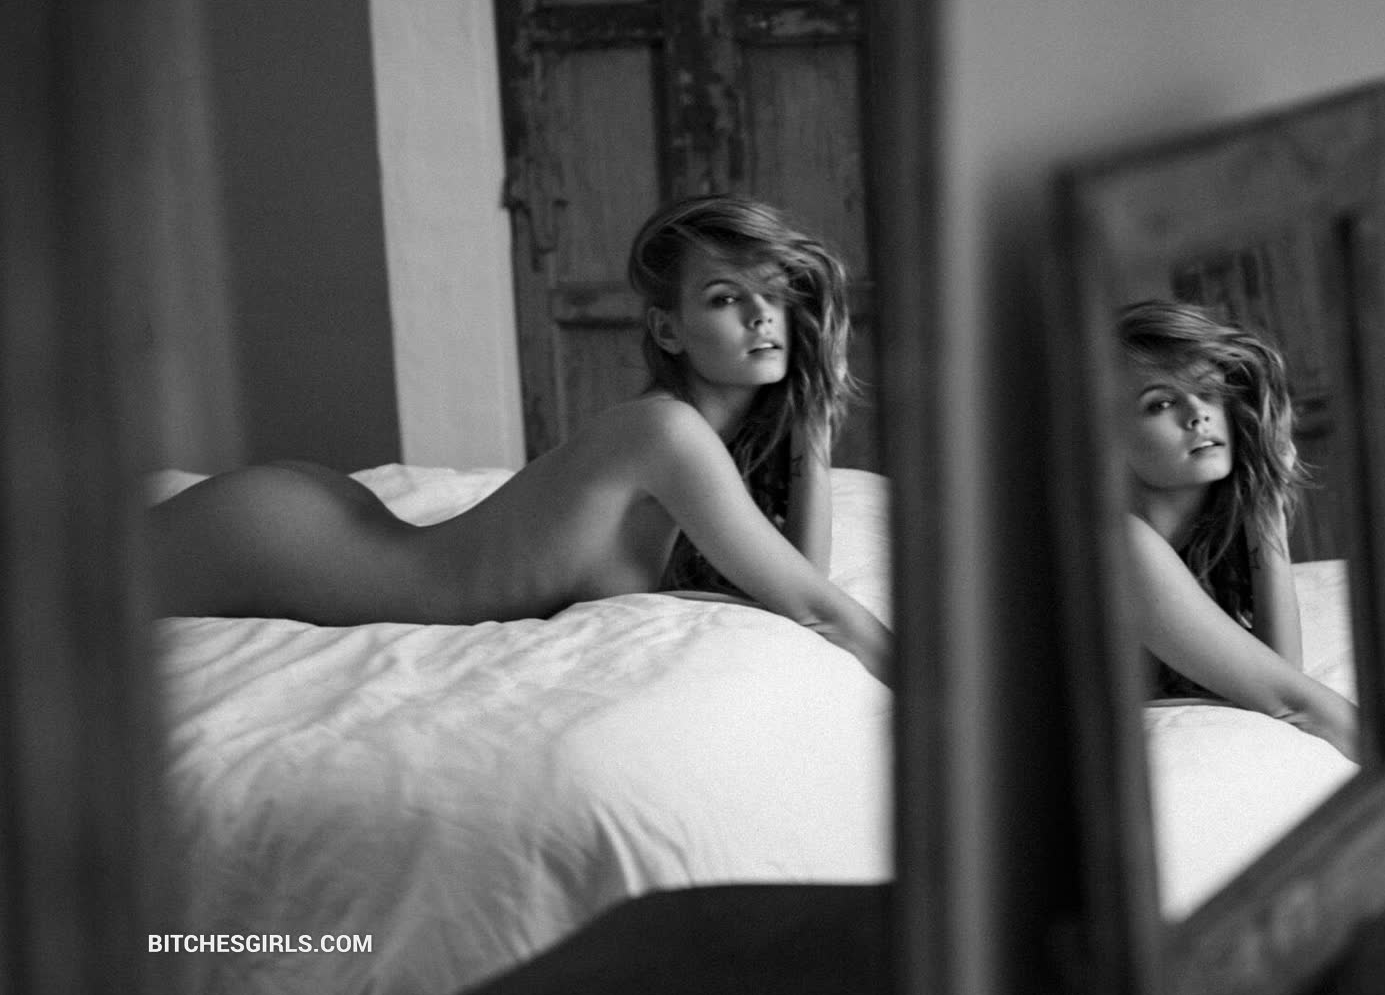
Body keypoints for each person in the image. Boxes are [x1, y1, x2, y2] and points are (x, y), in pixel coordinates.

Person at [146, 193, 891, 683]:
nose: (762, 316)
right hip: (279, 539)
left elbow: (802, 582)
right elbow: (817, 608)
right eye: (725, 297)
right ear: (668, 329)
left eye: (775, 295)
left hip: (330, 521)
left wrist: (812, 418)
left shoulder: (701, 444)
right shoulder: (667, 432)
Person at [1115, 299, 1357, 757]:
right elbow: (1293, 702)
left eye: (1209, 392)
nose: (1197, 414)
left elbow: (1278, 676)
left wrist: (1266, 507)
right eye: (1161, 403)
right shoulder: (1119, 542)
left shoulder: (1202, 544)